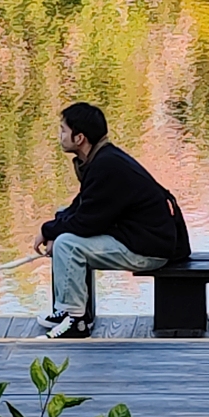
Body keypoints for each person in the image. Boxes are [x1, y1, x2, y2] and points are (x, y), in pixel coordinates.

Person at [33, 102, 190, 339]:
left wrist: (48, 231)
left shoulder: (107, 165)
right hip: (139, 238)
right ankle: (65, 311)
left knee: (68, 243)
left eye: (63, 130)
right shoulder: (103, 159)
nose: (60, 136)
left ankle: (76, 322)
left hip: (149, 249)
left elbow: (87, 222)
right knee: (63, 223)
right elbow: (82, 204)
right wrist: (54, 227)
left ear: (80, 138)